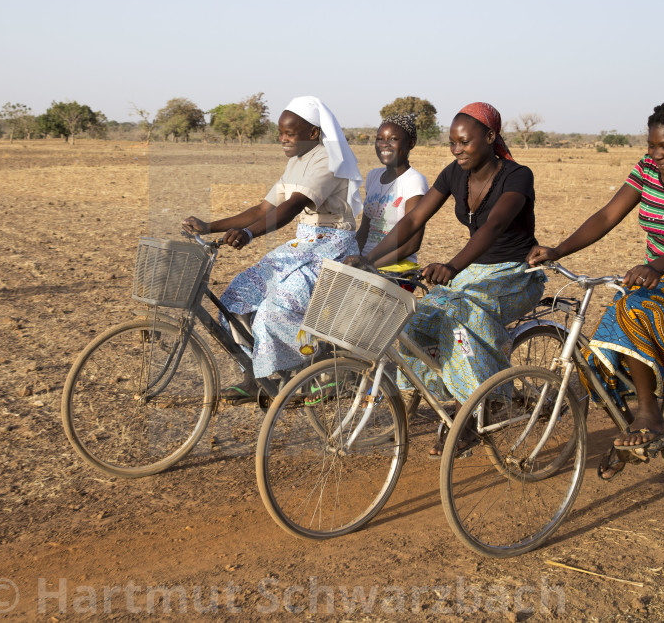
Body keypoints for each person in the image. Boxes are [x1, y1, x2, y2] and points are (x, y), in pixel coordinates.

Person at [527, 99, 664, 479]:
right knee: (598, 354)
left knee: (635, 310)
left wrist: (655, 266)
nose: (655, 155)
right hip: (657, 281)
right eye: (651, 146)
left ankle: (649, 415)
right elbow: (608, 215)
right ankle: (634, 434)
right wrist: (557, 249)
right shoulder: (646, 170)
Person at [348, 102, 544, 454]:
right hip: (472, 275)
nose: (457, 150)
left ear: (489, 137)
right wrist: (368, 259)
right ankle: (474, 393)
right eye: (452, 143)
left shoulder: (517, 176)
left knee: (457, 315)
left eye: (465, 142)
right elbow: (411, 221)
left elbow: (495, 225)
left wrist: (452, 267)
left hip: (514, 275)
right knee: (409, 321)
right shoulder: (454, 173)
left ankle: (474, 410)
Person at [181, 96, 362, 399]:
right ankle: (255, 376)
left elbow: (293, 206)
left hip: (332, 248)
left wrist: (250, 235)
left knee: (273, 310)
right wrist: (209, 226)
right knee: (235, 297)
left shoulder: (329, 159)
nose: (283, 139)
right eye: (281, 133)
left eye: (290, 134)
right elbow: (264, 207)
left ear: (313, 133)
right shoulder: (296, 162)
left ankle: (324, 362)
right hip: (303, 245)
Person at [356, 113, 429, 270]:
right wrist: (356, 258)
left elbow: (412, 245)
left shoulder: (414, 181)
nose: (384, 144)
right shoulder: (373, 176)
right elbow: (364, 230)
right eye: (380, 138)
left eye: (393, 139)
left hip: (396, 267)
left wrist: (371, 264)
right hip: (366, 262)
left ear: (411, 143)